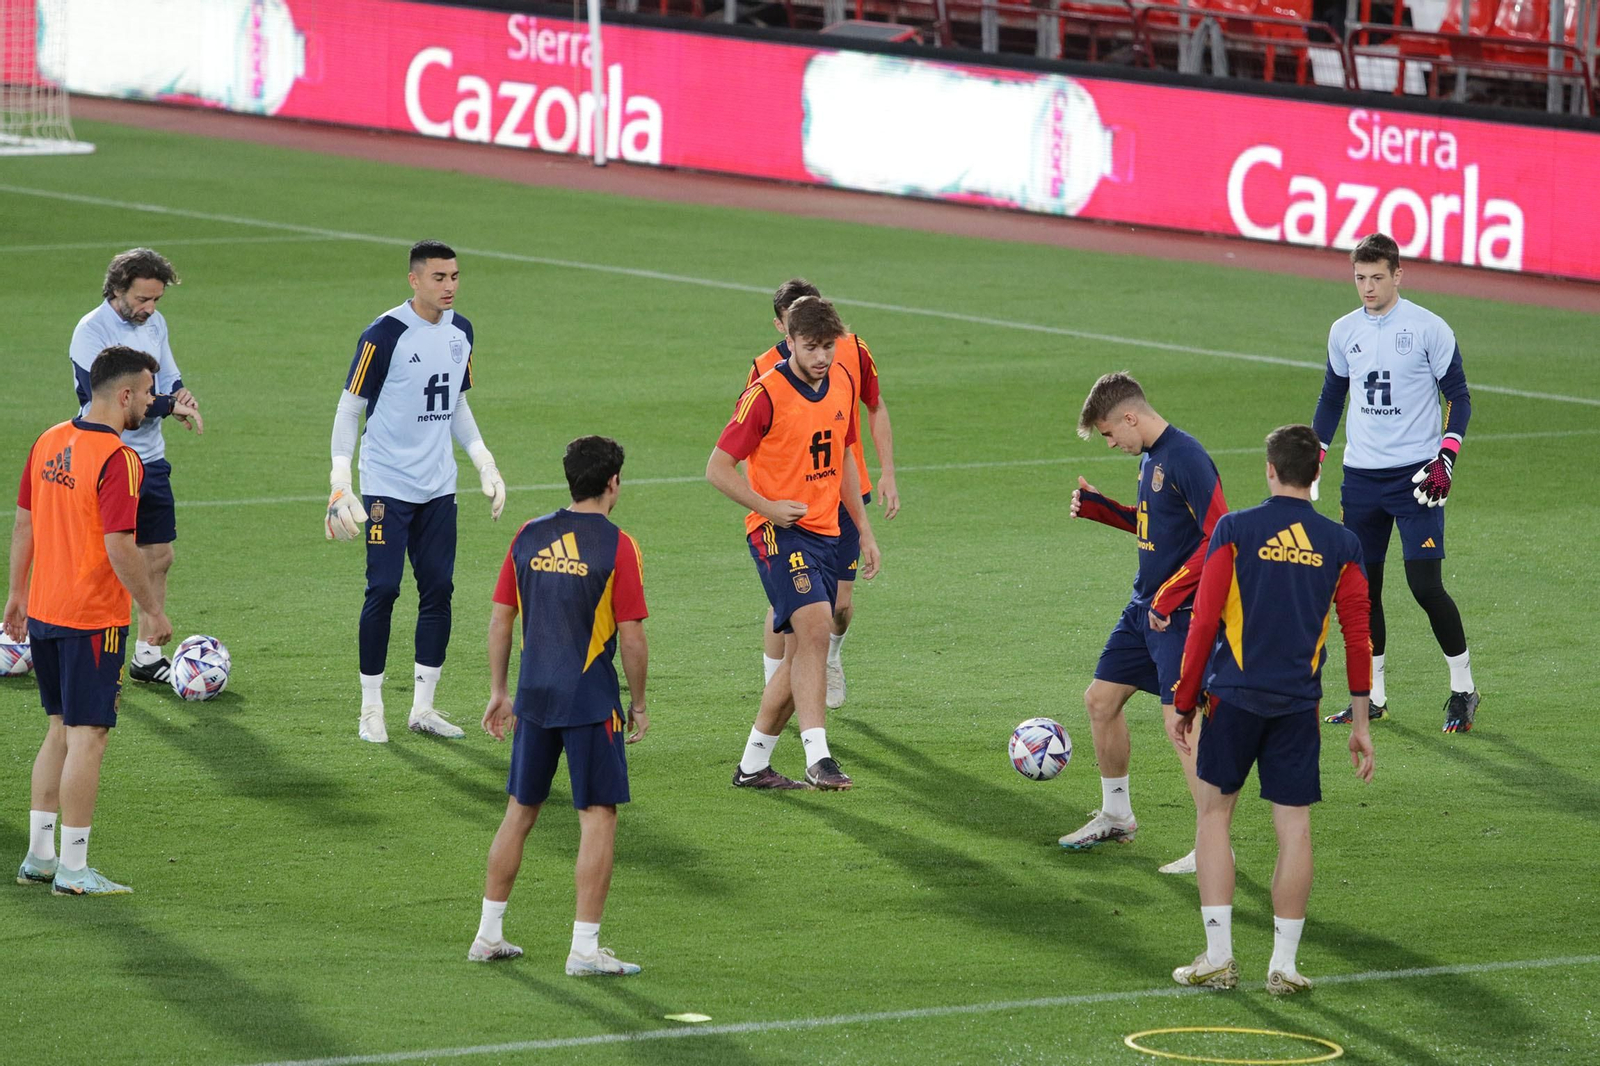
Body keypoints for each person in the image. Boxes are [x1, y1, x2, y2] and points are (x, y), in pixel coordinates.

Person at [1168, 424, 1375, 993]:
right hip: (1297, 708)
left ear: (1268, 469)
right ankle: (1283, 966)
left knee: (1213, 817)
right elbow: (1359, 637)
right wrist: (1360, 722)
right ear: (1315, 475)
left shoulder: (1235, 530)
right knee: (1295, 829)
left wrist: (1185, 702)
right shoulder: (1340, 544)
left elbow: (1204, 620)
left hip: (1232, 701)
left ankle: (1218, 957)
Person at [7, 346, 192, 895]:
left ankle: (40, 857)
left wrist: (16, 594)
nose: (153, 402)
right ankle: (74, 869)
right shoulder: (119, 458)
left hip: (43, 609)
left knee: (59, 728)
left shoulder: (48, 439)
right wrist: (152, 610)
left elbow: (24, 523)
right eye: (148, 392)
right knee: (90, 736)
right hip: (92, 618)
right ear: (124, 394)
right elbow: (119, 545)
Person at [471, 436, 649, 975]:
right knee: (598, 818)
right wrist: (638, 702)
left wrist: (501, 691)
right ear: (613, 483)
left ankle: (487, 935)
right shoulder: (619, 546)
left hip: (534, 698)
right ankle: (584, 950)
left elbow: (501, 619)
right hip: (590, 700)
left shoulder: (527, 535)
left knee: (519, 812)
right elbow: (632, 635)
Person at [325, 239, 508, 743]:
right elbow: (349, 409)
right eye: (438, 278)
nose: (449, 286)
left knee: (439, 591)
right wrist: (341, 481)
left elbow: (456, 404)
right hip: (386, 484)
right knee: (382, 589)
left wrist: (483, 461)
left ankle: (422, 708)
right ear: (414, 280)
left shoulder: (462, 331)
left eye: (454, 277)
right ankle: (370, 707)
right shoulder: (383, 335)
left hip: (438, 488)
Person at [708, 296, 881, 791]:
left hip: (828, 532)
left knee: (799, 655)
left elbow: (845, 457)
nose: (822, 357)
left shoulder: (842, 382)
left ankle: (753, 765)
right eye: (811, 347)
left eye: (829, 346)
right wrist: (767, 507)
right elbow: (716, 468)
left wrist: (864, 530)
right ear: (789, 342)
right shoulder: (764, 394)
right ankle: (818, 756)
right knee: (814, 628)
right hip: (777, 531)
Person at [1311, 232, 1480, 733]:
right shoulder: (1343, 331)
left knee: (1425, 586)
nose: (1367, 287)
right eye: (1360, 278)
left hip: (1416, 478)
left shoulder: (1429, 328)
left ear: (1398, 275)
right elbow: (1330, 397)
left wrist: (1446, 457)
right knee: (1364, 592)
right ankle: (1373, 698)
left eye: (1376, 278)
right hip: (1360, 478)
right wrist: (1316, 455)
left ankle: (1463, 689)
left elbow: (1460, 398)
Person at [1061, 372, 1228, 875]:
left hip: (1178, 616)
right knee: (1100, 700)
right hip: (1144, 608)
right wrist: (1100, 509)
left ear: (1130, 416)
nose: (1112, 443)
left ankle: (1213, 847)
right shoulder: (1151, 457)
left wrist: (1171, 595)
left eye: (1111, 433)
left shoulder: (1188, 457)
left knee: (1182, 727)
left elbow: (1219, 535)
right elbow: (1154, 522)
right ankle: (1117, 813)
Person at [745, 279, 900, 708]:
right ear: (784, 328)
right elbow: (746, 440)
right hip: (790, 506)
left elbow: (875, 404)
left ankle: (830, 658)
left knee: (839, 603)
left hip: (844, 493)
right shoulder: (764, 370)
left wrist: (887, 472)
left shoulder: (851, 349)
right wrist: (764, 505)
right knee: (787, 604)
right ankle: (774, 689)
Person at [68, 248, 203, 686]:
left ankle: (147, 655)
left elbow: (167, 378)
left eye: (156, 300)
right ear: (117, 289)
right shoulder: (91, 332)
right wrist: (169, 407)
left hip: (150, 459)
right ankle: (74, 639)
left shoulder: (154, 324)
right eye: (142, 300)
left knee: (159, 555)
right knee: (100, 559)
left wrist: (180, 397)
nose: (149, 309)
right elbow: (119, 401)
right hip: (106, 459)